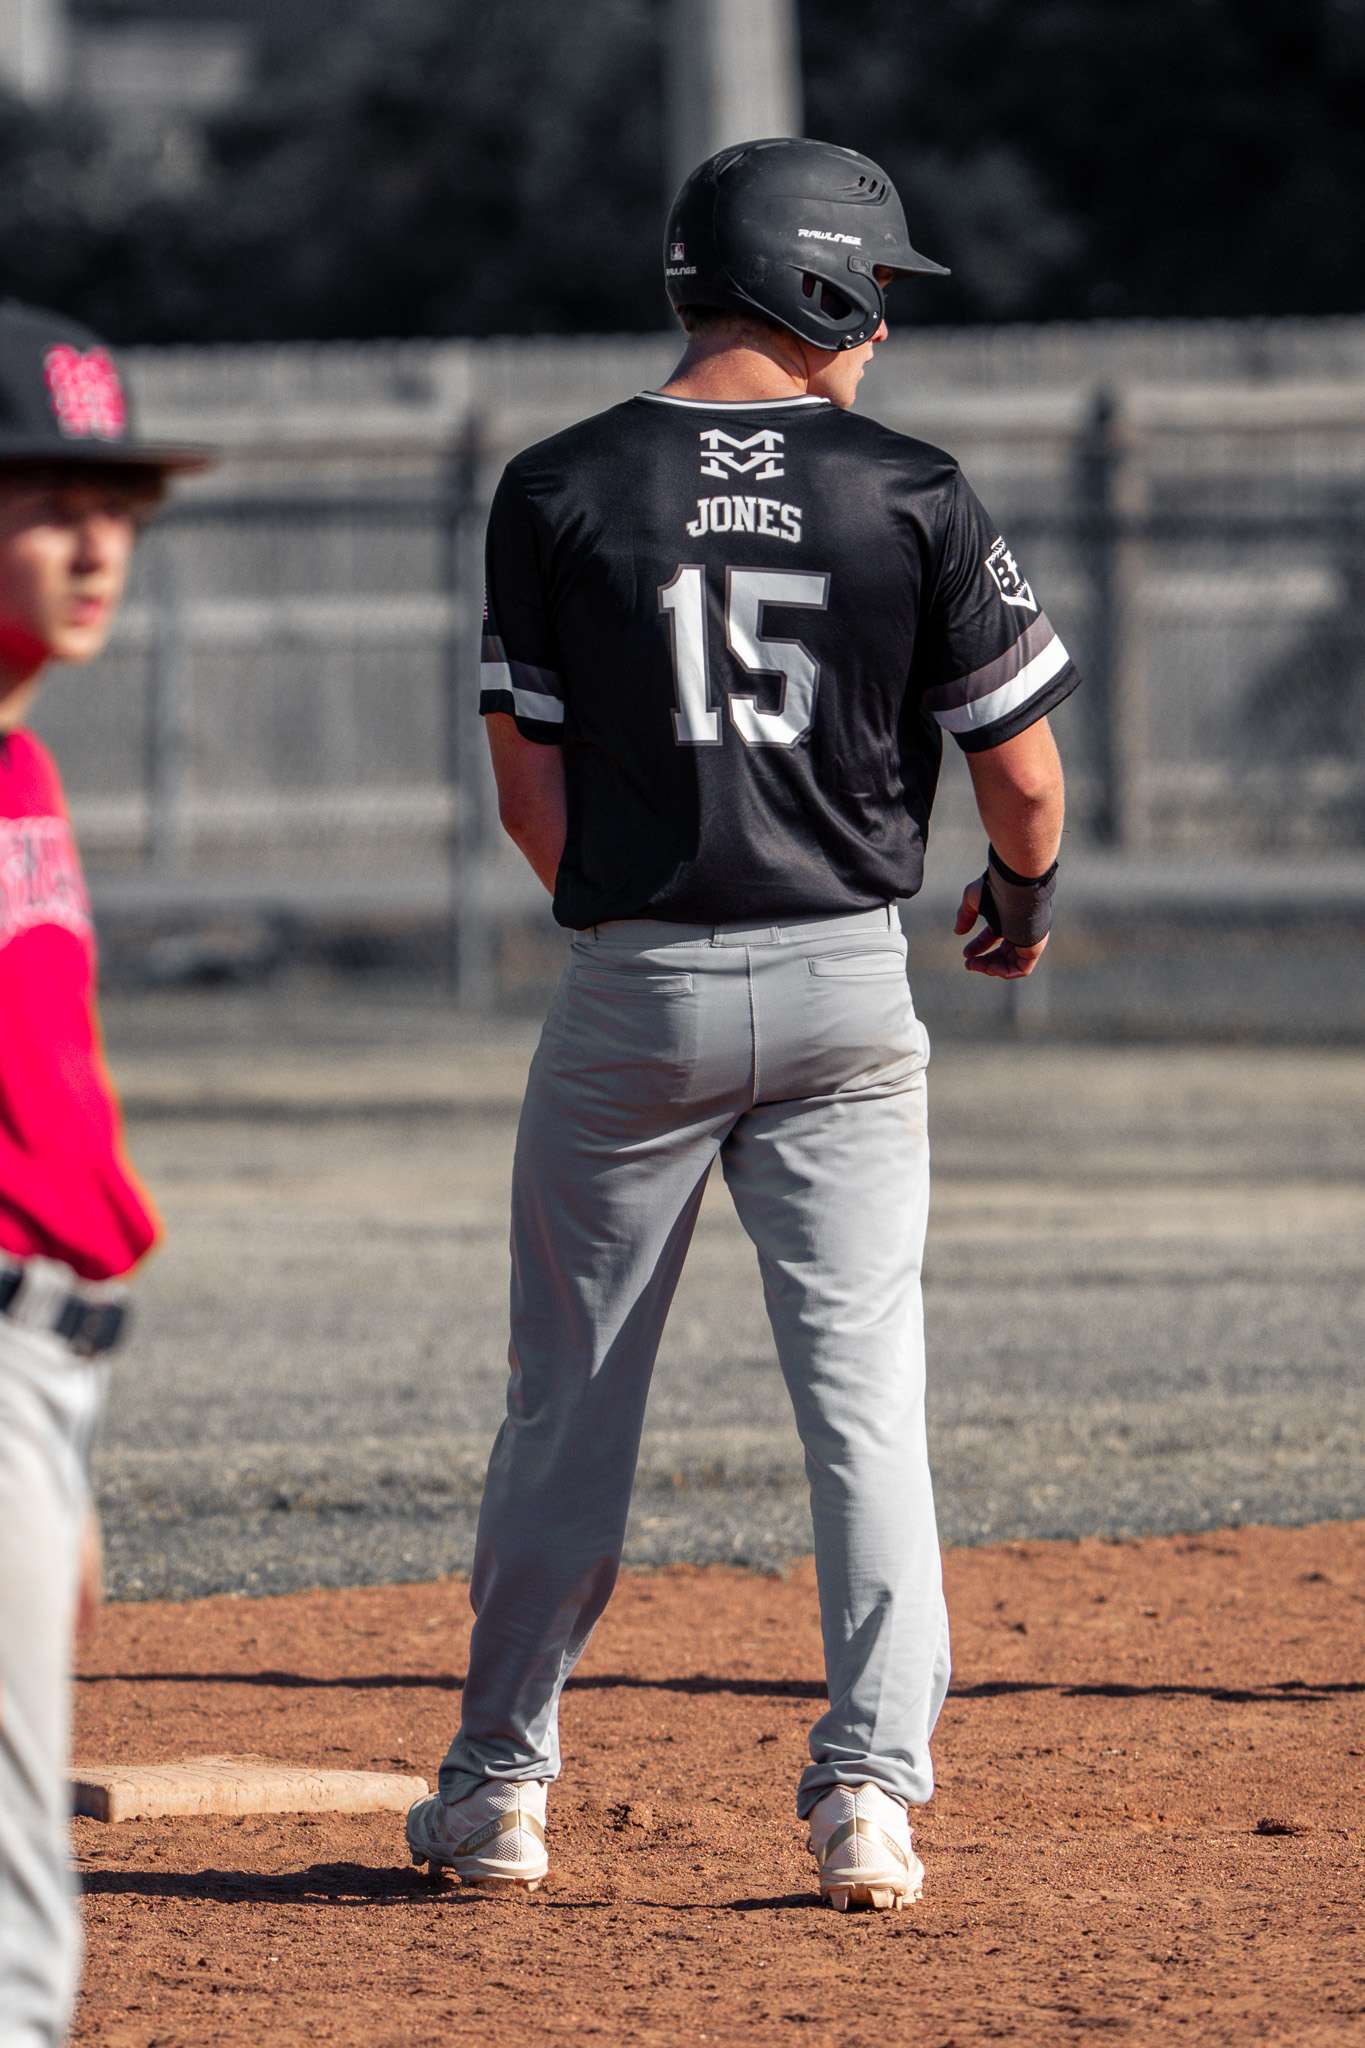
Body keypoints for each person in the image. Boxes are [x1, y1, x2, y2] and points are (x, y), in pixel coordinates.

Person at [406, 137, 1078, 1911]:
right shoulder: (909, 487)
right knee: (864, 1403)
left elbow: (527, 805)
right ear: (818, 288)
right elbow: (1023, 785)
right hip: (853, 989)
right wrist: (1014, 905)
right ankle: (869, 1795)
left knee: (569, 1404)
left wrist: (632, 933)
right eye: (876, 297)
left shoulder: (553, 483)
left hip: (635, 987)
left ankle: (496, 1791)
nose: (882, 335)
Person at [0, 300, 212, 2043]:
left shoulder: (24, 764)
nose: (96, 543)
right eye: (47, 498)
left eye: (116, 503)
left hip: (48, 1365)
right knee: (16, 1914)